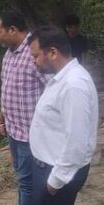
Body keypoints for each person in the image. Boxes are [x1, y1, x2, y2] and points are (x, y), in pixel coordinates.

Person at [28, 25, 98, 205]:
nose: (34, 62)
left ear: (52, 52)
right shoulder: (63, 78)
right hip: (50, 167)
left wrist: (54, 182)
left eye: (35, 56)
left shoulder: (74, 84)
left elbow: (77, 142)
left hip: (57, 174)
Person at [0, 10, 48, 205]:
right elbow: (6, 90)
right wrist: (1, 122)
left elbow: (53, 88)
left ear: (13, 29)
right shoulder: (8, 55)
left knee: (27, 182)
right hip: (13, 132)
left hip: (29, 134)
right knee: (22, 178)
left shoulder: (35, 52)